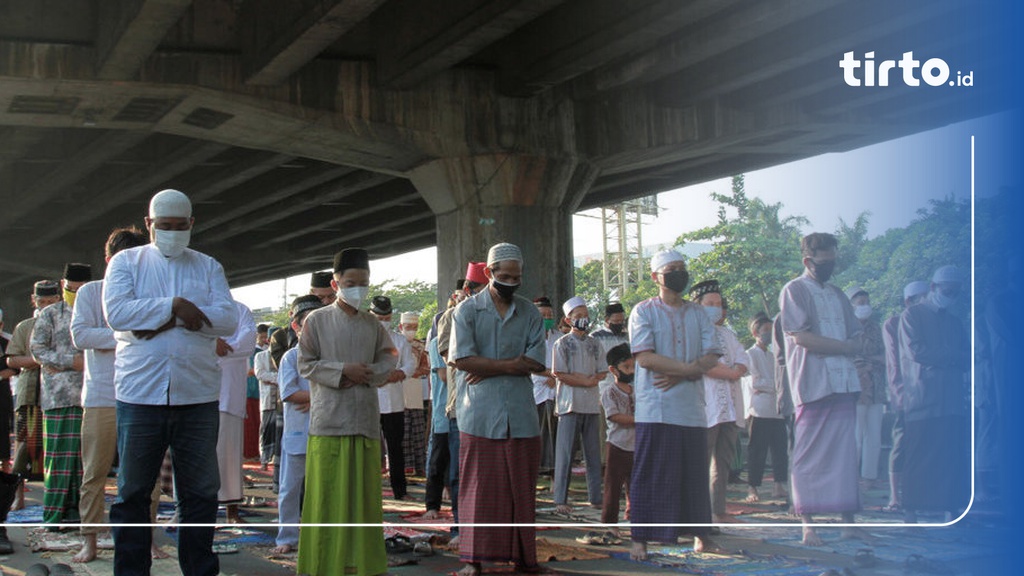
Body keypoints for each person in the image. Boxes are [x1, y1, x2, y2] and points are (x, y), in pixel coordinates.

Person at [104, 189, 239, 576]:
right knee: (132, 494)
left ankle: (199, 570)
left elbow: (227, 319)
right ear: (149, 225)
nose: (173, 234)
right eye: (165, 227)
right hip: (139, 395)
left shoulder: (208, 266)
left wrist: (155, 321)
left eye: (180, 228)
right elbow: (117, 314)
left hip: (197, 395)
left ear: (192, 224)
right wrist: (178, 308)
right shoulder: (126, 263)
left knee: (199, 494)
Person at [69, 227, 168, 563]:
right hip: (100, 396)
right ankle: (90, 540)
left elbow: (161, 334)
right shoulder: (90, 293)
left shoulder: (151, 291)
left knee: (146, 477)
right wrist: (128, 331)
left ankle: (147, 538)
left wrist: (127, 329)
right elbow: (81, 336)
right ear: (108, 260)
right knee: (94, 473)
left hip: (144, 395)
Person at [296, 248, 396, 576]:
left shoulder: (372, 323)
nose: (358, 288)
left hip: (365, 420)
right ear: (336, 283)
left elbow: (389, 358)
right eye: (350, 282)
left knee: (364, 502)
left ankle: (360, 566)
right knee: (326, 502)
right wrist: (343, 371)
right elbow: (305, 363)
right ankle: (323, 566)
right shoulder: (317, 320)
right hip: (329, 422)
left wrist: (370, 373)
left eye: (363, 282)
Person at [450, 242, 547, 576]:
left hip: (520, 414)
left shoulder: (530, 312)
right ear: (489, 273)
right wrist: (513, 364)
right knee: (478, 489)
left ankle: (523, 558)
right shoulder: (466, 311)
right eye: (504, 276)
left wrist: (491, 366)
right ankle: (473, 561)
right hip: (479, 413)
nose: (511, 282)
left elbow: (536, 360)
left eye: (516, 277)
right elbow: (462, 360)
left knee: (521, 490)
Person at [627, 249, 721, 561]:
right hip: (657, 407)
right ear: (656, 277)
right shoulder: (643, 311)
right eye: (672, 269)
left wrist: (682, 375)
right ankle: (639, 538)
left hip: (691, 407)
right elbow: (645, 357)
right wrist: (689, 370)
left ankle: (701, 536)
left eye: (682, 267)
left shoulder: (699, 313)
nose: (679, 273)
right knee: (652, 473)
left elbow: (712, 354)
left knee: (694, 474)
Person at [779, 232, 867, 546]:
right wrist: (844, 347)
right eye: (824, 261)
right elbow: (801, 337)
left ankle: (848, 522)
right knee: (809, 455)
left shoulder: (838, 293)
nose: (829, 266)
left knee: (845, 453)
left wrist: (846, 348)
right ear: (808, 261)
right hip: (813, 382)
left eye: (832, 260)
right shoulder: (794, 290)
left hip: (843, 381)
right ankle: (808, 526)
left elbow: (858, 336)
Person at [899, 265, 970, 522]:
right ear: (933, 288)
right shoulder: (912, 316)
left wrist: (944, 358)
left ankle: (950, 507)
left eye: (955, 292)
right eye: (946, 290)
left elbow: (967, 356)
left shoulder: (955, 321)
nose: (950, 295)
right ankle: (910, 509)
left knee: (951, 453)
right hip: (922, 396)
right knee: (920, 452)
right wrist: (950, 357)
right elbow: (917, 352)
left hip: (951, 397)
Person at [31, 262, 92, 525]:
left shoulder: (98, 312)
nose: (74, 293)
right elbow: (38, 349)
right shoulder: (50, 314)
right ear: (62, 285)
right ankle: (54, 516)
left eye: (80, 289)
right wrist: (70, 361)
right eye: (70, 288)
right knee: (57, 460)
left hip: (90, 397)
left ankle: (80, 515)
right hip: (57, 398)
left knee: (84, 462)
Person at [689, 279, 748, 523]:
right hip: (706, 406)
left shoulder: (727, 334)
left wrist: (736, 370)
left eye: (718, 303)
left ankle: (718, 510)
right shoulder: (694, 332)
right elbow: (705, 365)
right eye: (710, 303)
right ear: (698, 306)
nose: (716, 307)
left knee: (723, 463)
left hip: (730, 408)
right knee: (701, 462)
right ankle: (697, 513)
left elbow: (744, 359)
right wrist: (732, 372)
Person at [271, 295, 323, 555]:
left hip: (325, 433)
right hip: (297, 432)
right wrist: (320, 396)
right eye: (308, 323)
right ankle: (286, 537)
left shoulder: (329, 355)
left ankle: (320, 536)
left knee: (323, 490)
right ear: (296, 326)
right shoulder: (291, 357)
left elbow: (343, 385)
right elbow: (289, 393)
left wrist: (316, 398)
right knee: (290, 489)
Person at [551, 295, 605, 516]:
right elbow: (559, 373)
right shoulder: (562, 343)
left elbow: (603, 369)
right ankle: (560, 498)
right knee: (565, 454)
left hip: (591, 403)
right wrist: (585, 380)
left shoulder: (595, 343)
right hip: (569, 404)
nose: (583, 319)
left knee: (593, 453)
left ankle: (596, 497)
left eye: (585, 315)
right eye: (578, 316)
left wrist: (592, 380)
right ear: (568, 319)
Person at [7, 281, 59, 493]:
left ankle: (57, 496)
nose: (46, 306)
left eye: (51, 302)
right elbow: (12, 361)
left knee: (57, 450)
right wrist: (41, 358)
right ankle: (17, 497)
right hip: (30, 395)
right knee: (23, 448)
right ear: (33, 300)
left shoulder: (67, 323)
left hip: (59, 395)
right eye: (42, 302)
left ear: (59, 300)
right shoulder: (25, 326)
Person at [881, 281, 928, 512]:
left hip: (926, 394)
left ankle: (921, 494)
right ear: (908, 300)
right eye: (920, 297)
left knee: (923, 443)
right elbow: (893, 361)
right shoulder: (893, 323)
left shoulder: (930, 322)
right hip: (903, 393)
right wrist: (899, 392)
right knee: (900, 442)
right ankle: (894, 496)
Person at [370, 295, 417, 500]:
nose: (383, 322)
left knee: (395, 447)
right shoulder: (362, 339)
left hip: (395, 401)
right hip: (370, 401)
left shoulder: (399, 340)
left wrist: (397, 374)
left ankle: (400, 490)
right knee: (369, 448)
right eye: (379, 318)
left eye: (386, 317)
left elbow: (410, 364)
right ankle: (369, 490)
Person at [215, 301, 257, 524]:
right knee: (194, 457)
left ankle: (232, 511)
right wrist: (211, 344)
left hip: (230, 395)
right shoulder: (196, 307)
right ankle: (189, 510)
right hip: (198, 392)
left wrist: (220, 348)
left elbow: (247, 344)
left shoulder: (240, 310)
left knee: (230, 454)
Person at [845, 286, 887, 490]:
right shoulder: (846, 328)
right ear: (851, 305)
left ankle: (869, 478)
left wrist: (869, 361)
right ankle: (850, 478)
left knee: (874, 436)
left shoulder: (875, 328)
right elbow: (848, 357)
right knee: (855, 437)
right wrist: (867, 363)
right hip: (856, 388)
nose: (865, 307)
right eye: (860, 303)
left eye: (866, 303)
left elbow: (885, 356)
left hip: (877, 388)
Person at [743, 314, 789, 503]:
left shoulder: (772, 355)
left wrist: (776, 387)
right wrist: (775, 385)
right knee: (757, 450)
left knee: (780, 448)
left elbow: (781, 380)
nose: (769, 334)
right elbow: (755, 382)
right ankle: (752, 487)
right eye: (765, 331)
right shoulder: (749, 354)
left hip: (776, 408)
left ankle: (779, 485)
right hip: (759, 409)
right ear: (756, 333)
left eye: (771, 331)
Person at [598, 342, 635, 542]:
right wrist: (638, 421)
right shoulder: (609, 392)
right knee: (613, 487)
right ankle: (610, 524)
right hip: (617, 445)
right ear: (613, 369)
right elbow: (614, 416)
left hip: (636, 445)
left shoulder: (636, 389)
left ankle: (634, 518)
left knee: (636, 486)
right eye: (626, 368)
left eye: (633, 366)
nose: (631, 371)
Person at [530, 296, 559, 474]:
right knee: (537, 431)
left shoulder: (560, 338)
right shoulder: (528, 337)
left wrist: (556, 378)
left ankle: (553, 471)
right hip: (536, 390)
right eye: (543, 315)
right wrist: (551, 373)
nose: (547, 319)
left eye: (549, 315)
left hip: (556, 390)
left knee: (554, 433)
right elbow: (528, 363)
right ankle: (537, 468)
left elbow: (567, 364)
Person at [254, 332, 280, 471]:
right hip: (268, 400)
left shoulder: (283, 355)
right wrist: (278, 378)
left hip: (281, 401)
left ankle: (276, 459)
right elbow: (260, 374)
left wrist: (273, 379)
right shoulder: (260, 356)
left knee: (279, 430)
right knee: (266, 431)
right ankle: (264, 460)